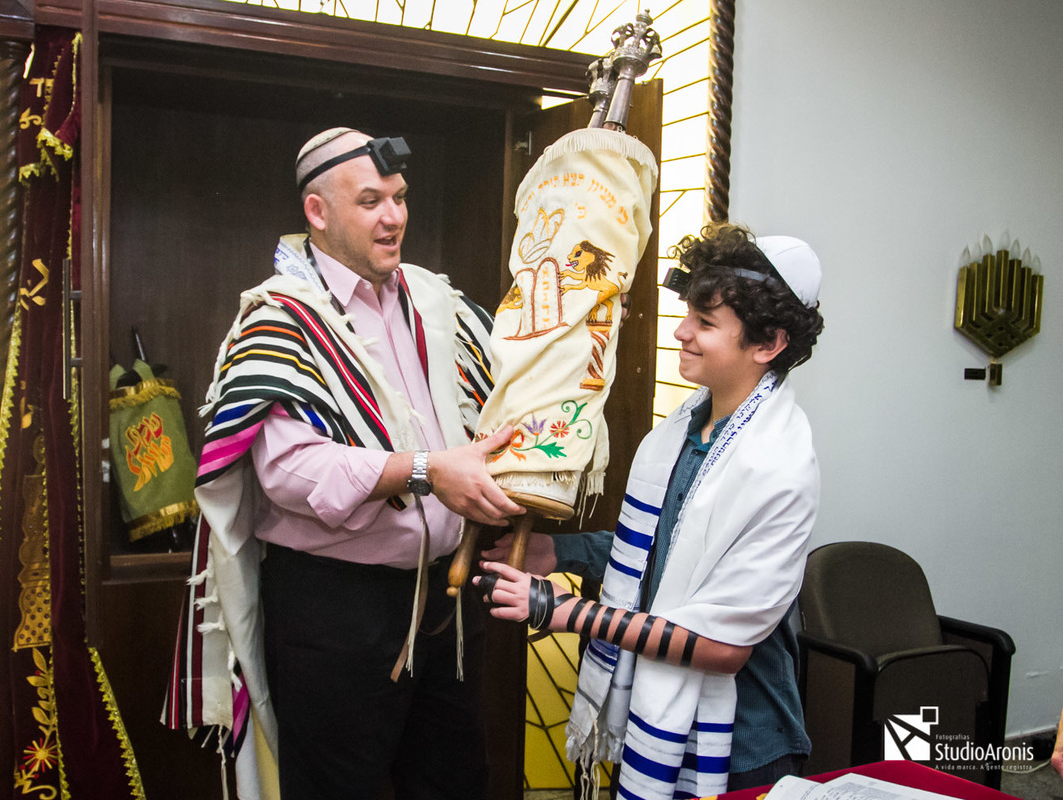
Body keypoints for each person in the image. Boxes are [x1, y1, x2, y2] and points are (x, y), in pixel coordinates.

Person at [194, 127, 525, 800]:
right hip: (337, 611)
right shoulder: (279, 319)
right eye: (370, 201)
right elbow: (291, 472)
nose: (393, 217)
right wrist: (426, 471)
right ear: (317, 212)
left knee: (455, 784)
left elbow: (500, 406)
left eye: (399, 198)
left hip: (447, 597)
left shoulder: (437, 302)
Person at [476, 222, 825, 799]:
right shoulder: (687, 426)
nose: (682, 332)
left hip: (741, 742)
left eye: (705, 323)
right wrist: (556, 551)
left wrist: (567, 612)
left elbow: (722, 648)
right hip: (654, 714)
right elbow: (657, 552)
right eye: (688, 315)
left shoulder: (778, 466)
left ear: (768, 345)